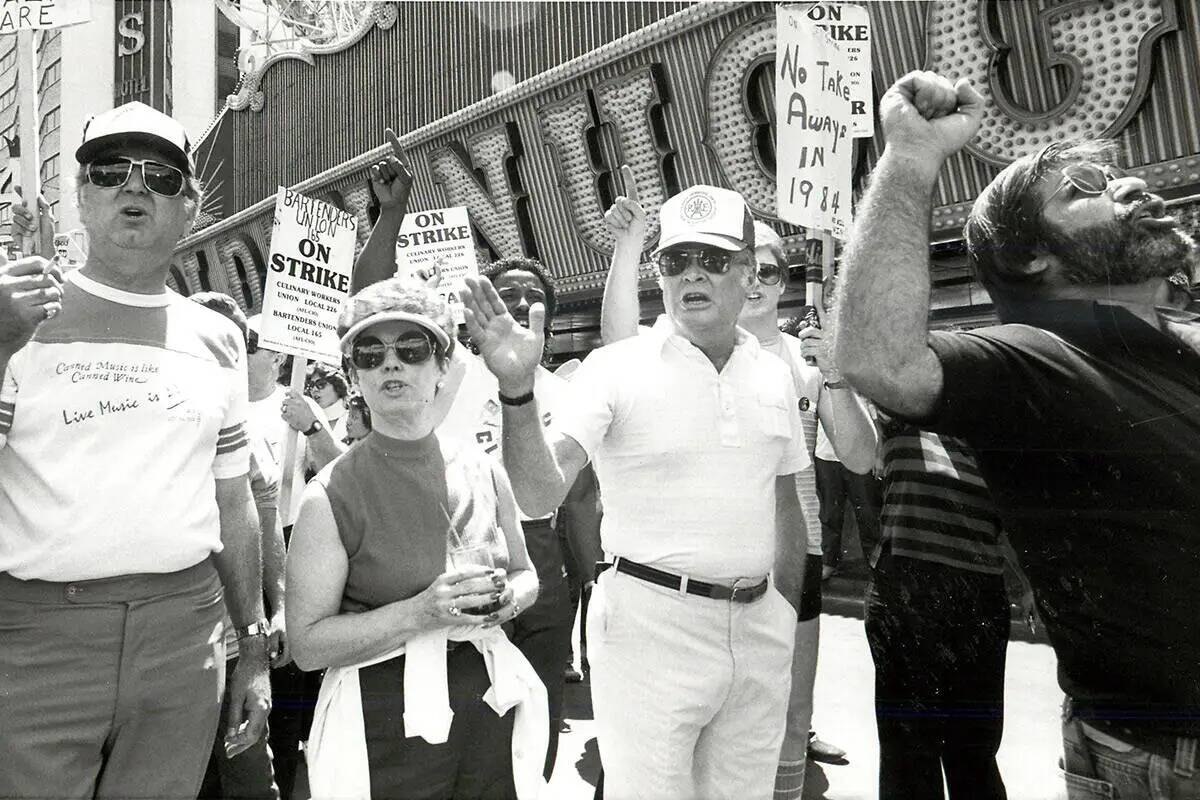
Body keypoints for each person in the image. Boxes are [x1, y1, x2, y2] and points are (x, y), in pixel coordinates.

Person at [835, 70, 1200, 797]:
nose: (1128, 187)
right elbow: (878, 359)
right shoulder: (1033, 356)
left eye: (1117, 173)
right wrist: (910, 158)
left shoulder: (1175, 345)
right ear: (1032, 256)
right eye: (1085, 186)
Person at [462, 183, 810, 800]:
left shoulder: (775, 374)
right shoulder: (617, 368)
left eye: (712, 258)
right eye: (676, 260)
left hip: (759, 631)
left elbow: (785, 506)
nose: (692, 274)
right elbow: (540, 493)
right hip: (649, 632)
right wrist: (517, 391)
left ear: (747, 271)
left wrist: (780, 612)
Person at [0, 101, 270, 798]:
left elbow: (232, 500)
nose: (134, 188)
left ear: (191, 206)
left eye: (159, 176)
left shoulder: (217, 339)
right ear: (81, 197)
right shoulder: (15, 317)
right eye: (111, 171)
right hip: (35, 637)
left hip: (184, 634)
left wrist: (255, 650)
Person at [600, 181, 874, 796]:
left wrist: (835, 374)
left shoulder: (798, 362)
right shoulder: (671, 348)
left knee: (785, 720)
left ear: (769, 277)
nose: (755, 285)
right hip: (687, 590)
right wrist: (628, 249)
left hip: (786, 566)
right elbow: (618, 345)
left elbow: (859, 454)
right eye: (686, 260)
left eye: (769, 272)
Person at [352, 137, 603, 780]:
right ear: (473, 314)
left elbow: (568, 500)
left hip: (539, 575)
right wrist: (390, 216)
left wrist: (587, 570)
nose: (514, 310)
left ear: (546, 318)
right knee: (465, 736)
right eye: (501, 297)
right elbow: (379, 300)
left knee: (535, 725)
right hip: (460, 570)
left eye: (527, 301)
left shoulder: (569, 394)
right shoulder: (449, 372)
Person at [286, 279, 547, 799]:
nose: (391, 364)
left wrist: (504, 602)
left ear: (443, 366)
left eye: (411, 349)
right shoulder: (329, 496)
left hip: (489, 714)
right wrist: (420, 613)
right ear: (354, 376)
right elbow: (307, 646)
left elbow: (526, 574)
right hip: (385, 729)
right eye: (370, 353)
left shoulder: (483, 469)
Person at [866, 420, 1010, 800]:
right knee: (908, 760)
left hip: (979, 591)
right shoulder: (899, 398)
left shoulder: (997, 405)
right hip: (905, 586)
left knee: (974, 756)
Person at [191, 294, 288, 800]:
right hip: (174, 649)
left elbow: (265, 522)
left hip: (237, 650)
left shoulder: (246, 439)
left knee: (249, 776)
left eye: (232, 341)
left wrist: (281, 607)